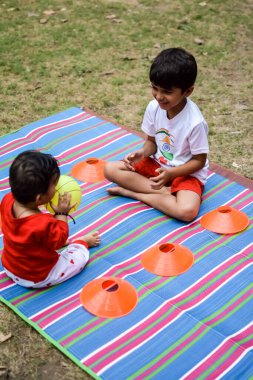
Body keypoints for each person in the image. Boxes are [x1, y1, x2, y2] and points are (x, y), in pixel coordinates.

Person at [104, 47, 209, 222]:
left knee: (186, 212)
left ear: (188, 91)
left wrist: (171, 174)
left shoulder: (195, 122)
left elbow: (199, 161)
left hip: (185, 174)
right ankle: (164, 194)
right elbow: (152, 142)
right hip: (158, 166)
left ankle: (134, 193)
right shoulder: (154, 107)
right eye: (155, 88)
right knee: (110, 169)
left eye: (167, 92)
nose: (159, 96)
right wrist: (142, 153)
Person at [0, 150, 100, 288]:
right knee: (77, 260)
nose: (57, 187)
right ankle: (81, 244)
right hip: (37, 276)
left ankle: (47, 242)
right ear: (39, 198)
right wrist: (61, 213)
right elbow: (59, 242)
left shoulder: (7, 200)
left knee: (42, 239)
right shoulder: (43, 224)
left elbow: (24, 231)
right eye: (54, 184)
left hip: (10, 265)